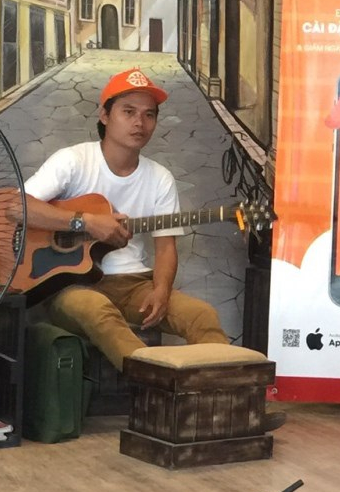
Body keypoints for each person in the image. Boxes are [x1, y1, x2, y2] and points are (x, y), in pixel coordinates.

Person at [21, 68, 231, 370]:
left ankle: (223, 389)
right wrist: (84, 223)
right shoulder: (73, 161)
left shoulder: (159, 177)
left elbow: (165, 247)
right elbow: (16, 207)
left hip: (134, 284)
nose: (139, 122)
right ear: (105, 115)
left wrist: (161, 290)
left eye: (149, 115)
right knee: (98, 311)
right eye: (128, 111)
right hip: (70, 287)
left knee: (202, 315)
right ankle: (154, 383)